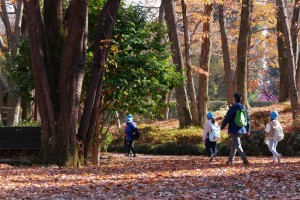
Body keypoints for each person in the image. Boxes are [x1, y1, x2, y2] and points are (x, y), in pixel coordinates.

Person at [221, 93, 250, 165]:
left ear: (234, 99)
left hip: (234, 129)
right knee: (234, 145)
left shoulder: (233, 107)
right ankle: (230, 160)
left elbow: (227, 117)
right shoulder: (243, 107)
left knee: (237, 145)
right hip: (242, 129)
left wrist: (222, 126)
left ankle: (245, 160)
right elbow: (248, 118)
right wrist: (248, 129)